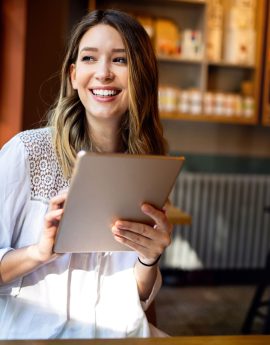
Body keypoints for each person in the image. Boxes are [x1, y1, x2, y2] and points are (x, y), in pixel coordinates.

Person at [0, 9, 173, 339]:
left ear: (142, 75)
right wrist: (37, 253)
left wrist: (149, 258)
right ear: (73, 74)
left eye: (120, 60)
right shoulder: (26, 153)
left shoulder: (148, 166)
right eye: (90, 58)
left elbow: (132, 298)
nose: (104, 73)